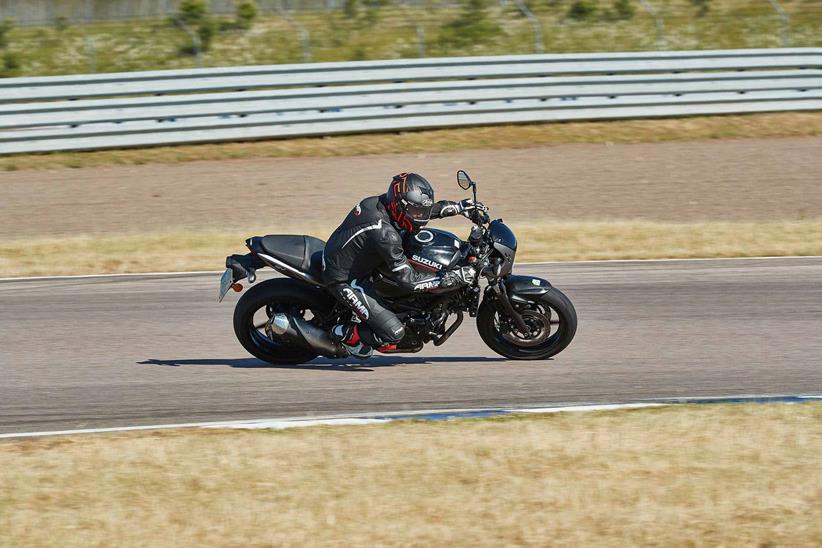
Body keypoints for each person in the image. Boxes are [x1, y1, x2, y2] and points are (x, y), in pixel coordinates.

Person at [322, 172, 486, 358]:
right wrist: (449, 278)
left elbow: (417, 209)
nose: (421, 218)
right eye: (416, 213)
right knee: (394, 333)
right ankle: (344, 333)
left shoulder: (381, 203)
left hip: (357, 258)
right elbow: (409, 281)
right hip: (344, 278)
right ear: (398, 206)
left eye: (421, 212)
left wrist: (457, 207)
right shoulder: (386, 234)